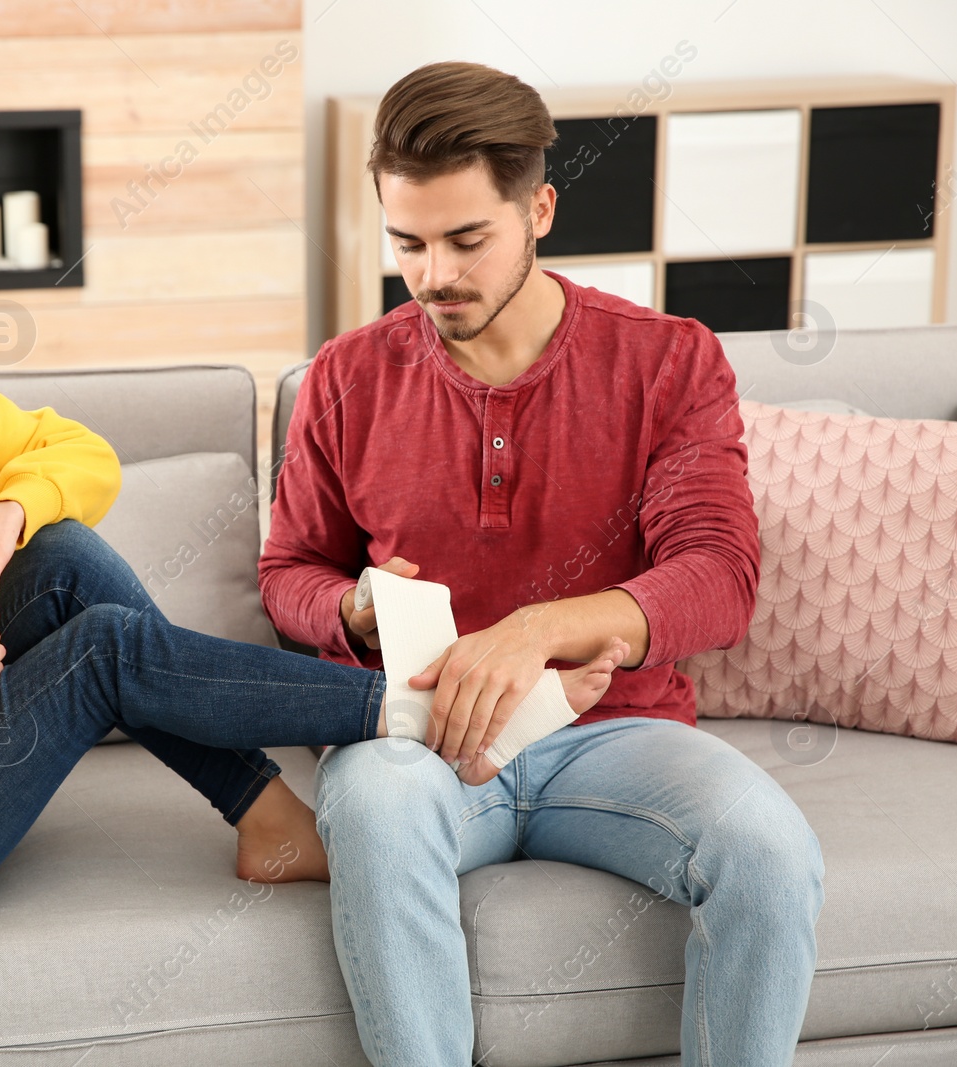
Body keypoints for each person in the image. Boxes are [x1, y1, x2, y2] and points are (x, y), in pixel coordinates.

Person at [0, 203, 629, 942]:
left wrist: (3, 509)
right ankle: (425, 708)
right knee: (97, 651)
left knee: (58, 556)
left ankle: (273, 817)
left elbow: (82, 455)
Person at [257, 62, 825, 1066]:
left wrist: (535, 630)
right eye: (408, 242)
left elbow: (718, 571)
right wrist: (351, 610)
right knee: (381, 811)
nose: (435, 274)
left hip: (613, 735)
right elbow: (289, 568)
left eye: (467, 238)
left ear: (540, 209)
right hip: (415, 739)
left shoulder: (668, 360)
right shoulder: (346, 377)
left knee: (772, 851)